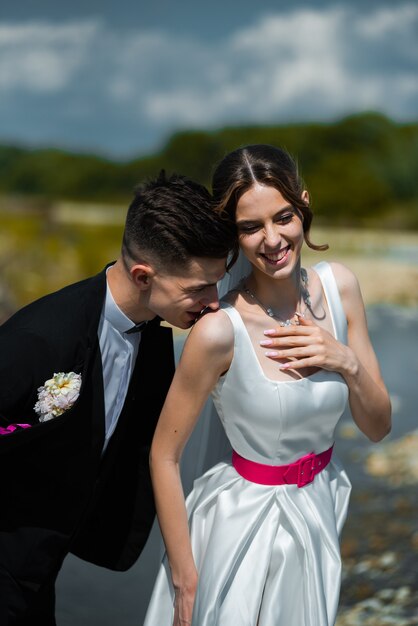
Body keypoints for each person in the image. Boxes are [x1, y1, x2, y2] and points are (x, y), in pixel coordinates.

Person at [144, 145, 392, 626]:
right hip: (243, 528)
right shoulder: (220, 331)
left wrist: (345, 362)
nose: (272, 239)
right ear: (232, 234)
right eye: (250, 227)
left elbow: (379, 427)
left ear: (303, 205)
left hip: (321, 506)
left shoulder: (340, 288)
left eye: (283, 218)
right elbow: (163, 455)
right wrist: (184, 575)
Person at [0, 171, 237, 626]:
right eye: (198, 289)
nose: (213, 302)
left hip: (43, 565)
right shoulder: (40, 339)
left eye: (216, 283)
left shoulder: (152, 332)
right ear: (143, 275)